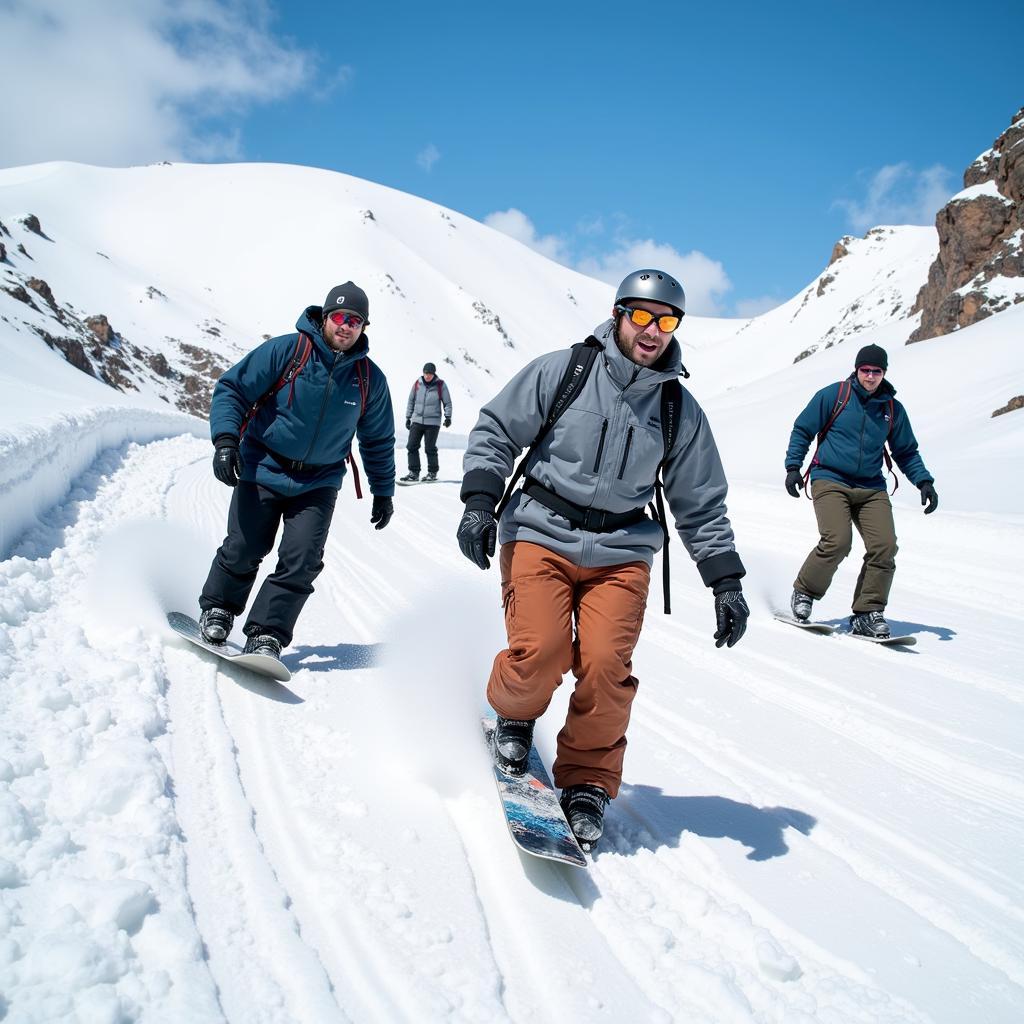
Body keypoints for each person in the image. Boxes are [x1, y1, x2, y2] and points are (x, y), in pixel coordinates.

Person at [457, 269, 749, 847]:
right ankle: (515, 715)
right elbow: (496, 429)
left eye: (666, 321)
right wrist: (480, 502)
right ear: (618, 314)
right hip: (540, 531)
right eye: (641, 315)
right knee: (541, 650)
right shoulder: (563, 372)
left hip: (621, 552)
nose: (652, 330)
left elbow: (701, 502)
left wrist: (725, 581)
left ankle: (588, 778)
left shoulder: (677, 410)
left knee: (606, 667)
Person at [197, 282, 396, 658]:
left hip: (318, 482)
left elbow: (378, 440)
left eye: (355, 320)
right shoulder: (288, 351)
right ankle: (219, 608)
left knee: (302, 560)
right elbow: (233, 390)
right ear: (325, 317)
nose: (346, 325)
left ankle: (267, 633)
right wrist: (225, 441)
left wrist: (383, 490)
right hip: (263, 465)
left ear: (363, 327)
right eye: (339, 316)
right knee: (244, 546)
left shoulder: (369, 379)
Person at [784, 343, 938, 637]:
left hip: (870, 487)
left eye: (876, 371)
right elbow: (803, 429)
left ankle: (867, 612)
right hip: (830, 478)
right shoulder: (835, 395)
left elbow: (905, 451)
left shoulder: (892, 409)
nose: (870, 376)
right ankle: (804, 592)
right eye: (865, 370)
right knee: (838, 541)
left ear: (884, 373)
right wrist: (793, 467)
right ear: (857, 370)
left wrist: (924, 481)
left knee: (885, 546)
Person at [402, 361, 453, 482]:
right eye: (425, 373)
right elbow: (411, 401)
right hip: (417, 420)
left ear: (434, 374)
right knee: (411, 446)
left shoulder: (440, 385)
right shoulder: (418, 384)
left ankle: (432, 473)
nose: (427, 376)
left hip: (433, 422)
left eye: (429, 373)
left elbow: (447, 403)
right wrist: (408, 417)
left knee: (430, 448)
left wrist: (448, 417)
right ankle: (414, 473)